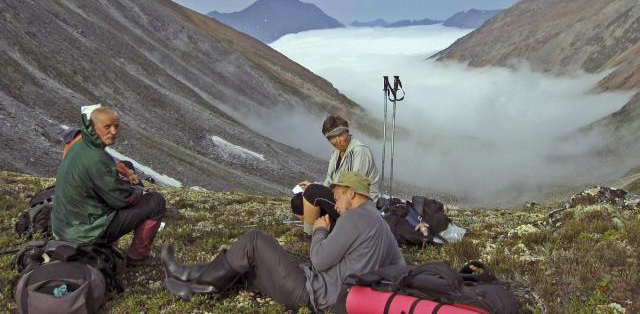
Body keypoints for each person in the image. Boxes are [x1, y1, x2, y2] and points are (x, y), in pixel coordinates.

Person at [161, 172, 404, 311]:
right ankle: (189, 273)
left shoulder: (354, 218)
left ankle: (197, 290)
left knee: (254, 240)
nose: (336, 204)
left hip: (313, 294)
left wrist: (320, 230)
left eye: (337, 197)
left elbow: (319, 260)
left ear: (351, 193)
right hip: (334, 297)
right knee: (248, 264)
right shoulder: (381, 224)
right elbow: (399, 267)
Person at [51, 105, 166, 262]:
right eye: (107, 127)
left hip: (65, 226)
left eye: (116, 126)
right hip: (84, 232)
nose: (114, 132)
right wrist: (138, 190)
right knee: (156, 202)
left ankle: (110, 247)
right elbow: (121, 199)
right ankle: (137, 258)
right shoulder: (96, 158)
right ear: (92, 126)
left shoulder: (80, 145)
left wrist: (124, 175)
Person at [291, 114, 380, 234]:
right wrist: (313, 185)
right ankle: (327, 229)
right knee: (298, 201)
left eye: (340, 135)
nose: (337, 140)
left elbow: (354, 188)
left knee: (312, 192)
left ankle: (310, 235)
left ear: (347, 132)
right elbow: (329, 182)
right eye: (332, 137)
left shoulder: (359, 151)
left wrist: (315, 189)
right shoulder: (336, 154)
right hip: (340, 200)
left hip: (359, 209)